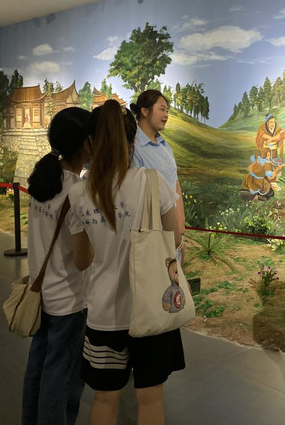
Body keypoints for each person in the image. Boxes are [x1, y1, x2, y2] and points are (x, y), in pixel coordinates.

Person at [69, 100, 185, 425]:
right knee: (150, 399)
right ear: (132, 142)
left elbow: (82, 260)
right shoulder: (152, 181)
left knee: (104, 399)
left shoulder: (79, 194)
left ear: (90, 143)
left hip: (103, 315)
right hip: (151, 310)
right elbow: (174, 238)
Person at [22, 107, 91, 425]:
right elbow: (82, 260)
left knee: (38, 368)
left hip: (41, 293)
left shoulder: (43, 179)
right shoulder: (77, 192)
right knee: (62, 379)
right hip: (69, 301)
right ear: (86, 143)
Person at [131, 89, 186, 235]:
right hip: (149, 232)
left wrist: (180, 223)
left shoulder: (165, 146)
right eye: (162, 109)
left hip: (171, 229)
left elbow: (175, 183)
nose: (166, 115)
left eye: (167, 111)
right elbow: (135, 194)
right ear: (144, 111)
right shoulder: (133, 146)